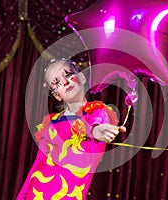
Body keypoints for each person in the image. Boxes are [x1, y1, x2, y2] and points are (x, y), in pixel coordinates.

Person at [17, 59, 126, 200]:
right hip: (35, 193)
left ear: (81, 77)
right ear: (56, 94)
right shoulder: (50, 123)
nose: (65, 82)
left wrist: (96, 131)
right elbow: (38, 164)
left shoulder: (98, 112)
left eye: (68, 74)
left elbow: (95, 126)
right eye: (56, 82)